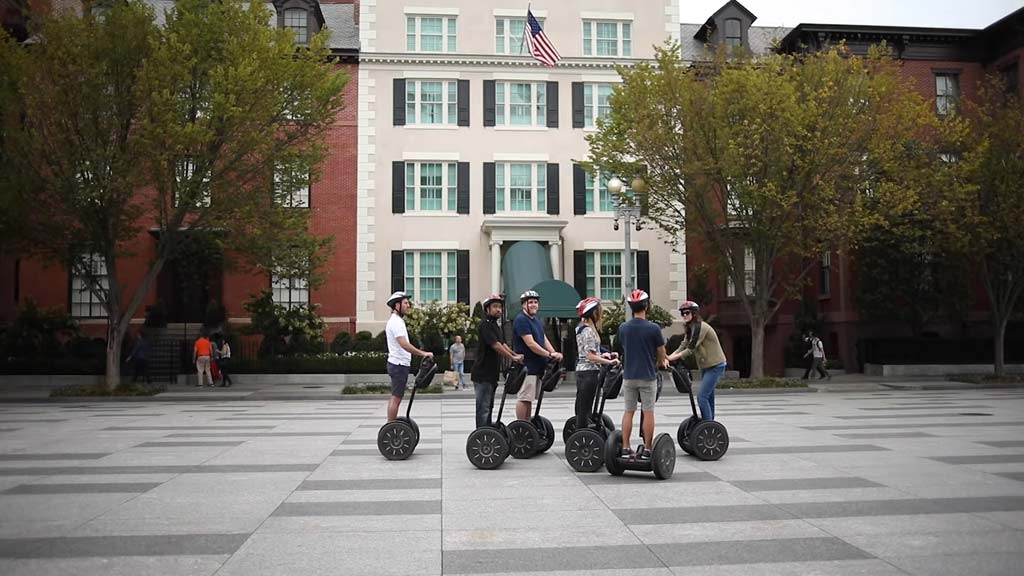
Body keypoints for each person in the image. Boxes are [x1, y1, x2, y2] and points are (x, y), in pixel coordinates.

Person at [616, 289, 668, 460]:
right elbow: (661, 353)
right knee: (648, 412)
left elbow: (622, 347)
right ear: (646, 306)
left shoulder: (623, 328)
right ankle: (647, 449)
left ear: (631, 307)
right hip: (647, 376)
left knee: (629, 411)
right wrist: (662, 363)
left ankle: (625, 447)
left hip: (629, 376)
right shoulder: (653, 328)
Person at [470, 294, 524, 428]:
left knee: (489, 405)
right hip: (482, 373)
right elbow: (495, 345)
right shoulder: (485, 325)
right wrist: (512, 358)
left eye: (500, 307)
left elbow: (503, 344)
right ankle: (482, 435)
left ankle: (488, 430)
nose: (498, 310)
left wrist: (515, 354)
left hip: (491, 373)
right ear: (487, 309)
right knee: (483, 407)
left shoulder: (496, 326)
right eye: (495, 307)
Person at [668, 301, 727, 421]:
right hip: (706, 366)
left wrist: (672, 358)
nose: (684, 315)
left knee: (702, 397)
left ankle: (708, 425)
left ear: (694, 314)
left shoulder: (700, 327)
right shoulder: (690, 328)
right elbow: (683, 345)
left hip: (716, 365)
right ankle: (710, 424)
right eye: (682, 313)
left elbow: (690, 349)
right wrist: (668, 357)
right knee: (709, 397)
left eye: (687, 312)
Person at [511, 290, 563, 421]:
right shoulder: (521, 320)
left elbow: (543, 339)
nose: (534, 305)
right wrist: (549, 354)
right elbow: (531, 344)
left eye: (535, 302)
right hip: (527, 367)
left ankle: (527, 424)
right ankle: (521, 426)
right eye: (530, 302)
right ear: (524, 305)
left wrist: (554, 353)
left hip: (538, 366)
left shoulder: (536, 320)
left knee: (530, 399)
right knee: (524, 398)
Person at [384, 291, 433, 422]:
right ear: (397, 305)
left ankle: (391, 425)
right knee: (396, 397)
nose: (408, 305)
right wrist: (423, 353)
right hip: (398, 365)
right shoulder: (396, 322)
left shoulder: (397, 321)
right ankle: (391, 427)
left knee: (396, 397)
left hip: (399, 364)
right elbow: (404, 344)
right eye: (405, 303)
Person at [574, 297, 618, 433]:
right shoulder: (587, 331)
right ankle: (582, 436)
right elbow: (590, 356)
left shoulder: (584, 328)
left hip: (586, 371)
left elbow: (592, 352)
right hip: (588, 373)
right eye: (599, 311)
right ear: (593, 313)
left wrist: (606, 355)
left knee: (584, 406)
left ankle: (582, 432)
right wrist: (609, 362)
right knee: (584, 407)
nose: (600, 314)